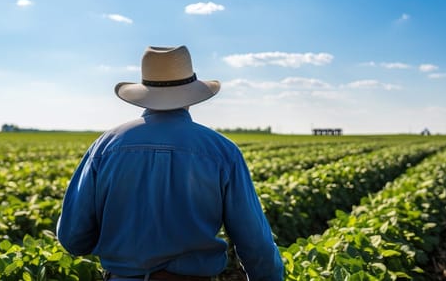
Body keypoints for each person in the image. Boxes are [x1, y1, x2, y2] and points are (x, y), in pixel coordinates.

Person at [56, 45, 283, 281]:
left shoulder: (105, 147)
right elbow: (255, 243)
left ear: (144, 90)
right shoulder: (222, 151)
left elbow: (73, 238)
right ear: (192, 93)